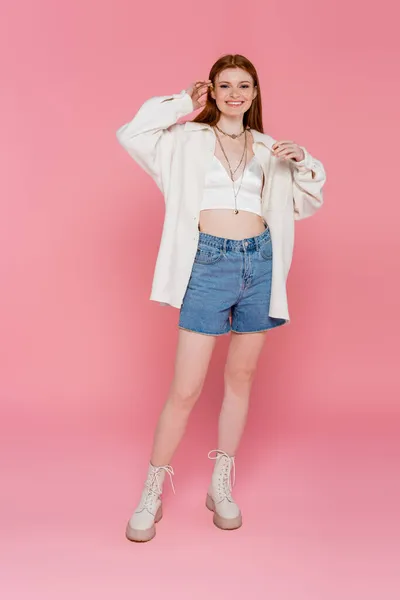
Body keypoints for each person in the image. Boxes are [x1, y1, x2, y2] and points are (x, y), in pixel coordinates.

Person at [116, 54, 326, 542]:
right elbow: (130, 134)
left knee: (241, 378)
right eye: (224, 85)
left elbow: (308, 201)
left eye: (244, 86)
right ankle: (151, 491)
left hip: (260, 262)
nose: (235, 93)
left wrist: (306, 162)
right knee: (186, 388)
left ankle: (221, 483)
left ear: (255, 93)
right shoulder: (185, 141)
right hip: (207, 264)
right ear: (210, 90)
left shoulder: (272, 147)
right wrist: (178, 106)